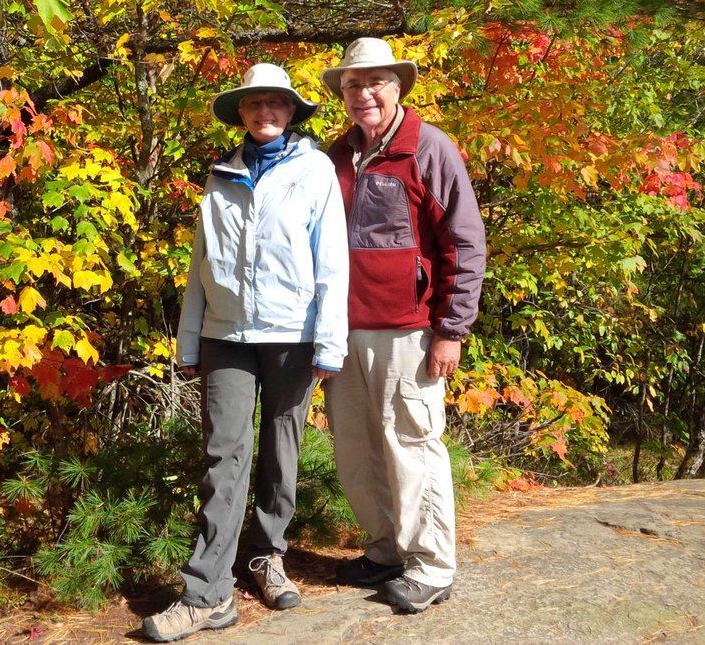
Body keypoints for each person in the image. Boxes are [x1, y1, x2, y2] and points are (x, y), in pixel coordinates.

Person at [143, 63, 349, 643]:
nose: (265, 113)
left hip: (293, 334)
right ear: (241, 112)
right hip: (225, 335)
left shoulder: (315, 173)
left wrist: (330, 341)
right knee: (222, 455)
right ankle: (207, 594)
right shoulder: (221, 174)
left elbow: (332, 261)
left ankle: (265, 555)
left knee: (283, 450)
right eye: (255, 104)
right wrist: (190, 339)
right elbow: (199, 267)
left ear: (291, 112)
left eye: (276, 104)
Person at [320, 37, 486, 614]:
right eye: (352, 85)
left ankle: (432, 564)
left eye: (375, 83)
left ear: (397, 88)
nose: (364, 93)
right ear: (342, 94)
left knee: (411, 444)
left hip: (410, 329)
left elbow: (464, 244)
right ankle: (387, 549)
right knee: (358, 448)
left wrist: (451, 329)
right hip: (343, 333)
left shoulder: (429, 148)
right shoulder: (337, 156)